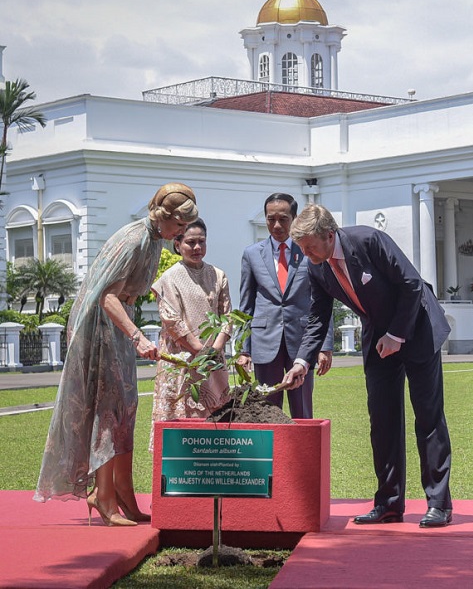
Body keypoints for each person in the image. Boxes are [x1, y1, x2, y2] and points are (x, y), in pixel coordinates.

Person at [34, 183, 198, 526]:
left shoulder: (153, 240)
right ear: (164, 216)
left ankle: (122, 492)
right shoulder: (136, 237)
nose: (182, 233)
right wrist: (138, 336)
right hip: (100, 327)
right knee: (108, 410)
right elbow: (107, 296)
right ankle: (103, 497)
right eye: (180, 226)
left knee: (125, 406)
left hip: (116, 325)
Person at [285, 203, 453, 528]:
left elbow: (411, 285)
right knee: (382, 420)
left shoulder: (368, 240)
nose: (306, 254)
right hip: (378, 338)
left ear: (328, 234)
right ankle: (389, 504)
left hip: (417, 327)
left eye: (309, 247)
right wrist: (301, 361)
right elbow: (318, 317)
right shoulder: (316, 267)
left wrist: (396, 334)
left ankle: (439, 505)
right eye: (301, 248)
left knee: (428, 418)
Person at [237, 193, 332, 416]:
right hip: (263, 341)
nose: (277, 225)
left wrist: (325, 345)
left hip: (302, 342)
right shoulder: (251, 254)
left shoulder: (310, 252)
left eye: (283, 219)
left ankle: (302, 451)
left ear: (295, 218)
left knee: (302, 411)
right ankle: (271, 452)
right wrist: (243, 348)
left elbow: (324, 301)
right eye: (271, 219)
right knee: (266, 410)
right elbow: (246, 305)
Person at [148, 218, 232, 452]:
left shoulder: (218, 275)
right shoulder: (169, 279)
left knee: (216, 422)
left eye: (201, 242)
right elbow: (173, 322)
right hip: (181, 362)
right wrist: (200, 351)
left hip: (213, 362)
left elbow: (227, 316)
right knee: (180, 422)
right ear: (177, 244)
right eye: (190, 242)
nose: (197, 248)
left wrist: (214, 350)